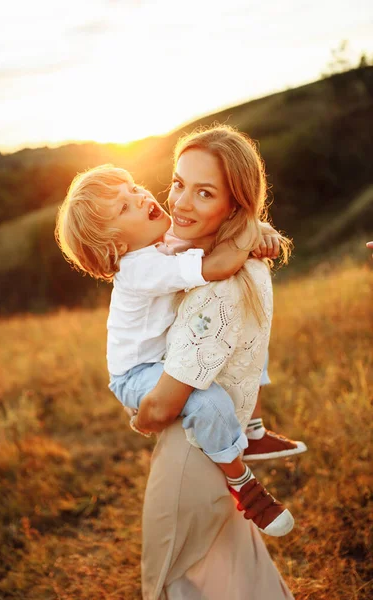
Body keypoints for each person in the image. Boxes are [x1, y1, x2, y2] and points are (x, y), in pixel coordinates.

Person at [55, 162, 293, 537]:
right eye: (124, 207)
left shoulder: (159, 244)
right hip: (136, 372)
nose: (140, 197)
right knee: (205, 401)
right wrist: (251, 234)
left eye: (133, 188)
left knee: (246, 340)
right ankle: (243, 483)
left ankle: (254, 429)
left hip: (161, 355)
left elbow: (212, 239)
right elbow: (218, 263)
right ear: (118, 244)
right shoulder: (139, 268)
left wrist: (256, 229)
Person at [131, 125, 296, 598]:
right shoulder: (230, 260)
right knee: (241, 578)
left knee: (171, 582)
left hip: (191, 459)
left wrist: (141, 416)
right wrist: (254, 229)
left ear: (235, 207)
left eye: (204, 192)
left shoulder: (216, 290)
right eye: (178, 183)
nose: (179, 203)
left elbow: (163, 407)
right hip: (224, 447)